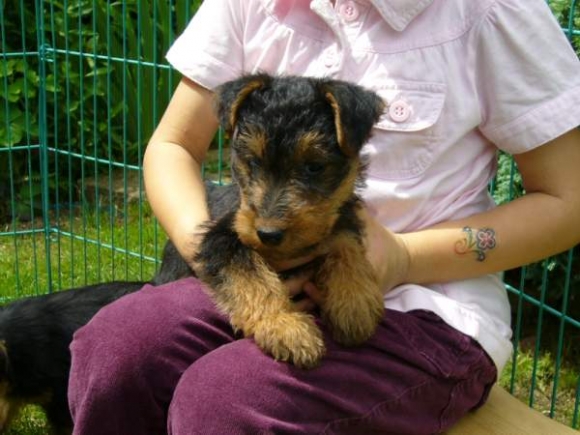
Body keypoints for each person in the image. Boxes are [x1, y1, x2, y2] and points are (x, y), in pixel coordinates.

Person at [67, 0, 580, 434]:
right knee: (116, 351)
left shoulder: (492, 12)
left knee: (226, 401)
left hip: (430, 303)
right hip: (260, 272)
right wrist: (211, 257)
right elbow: (173, 144)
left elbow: (569, 201)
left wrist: (402, 257)